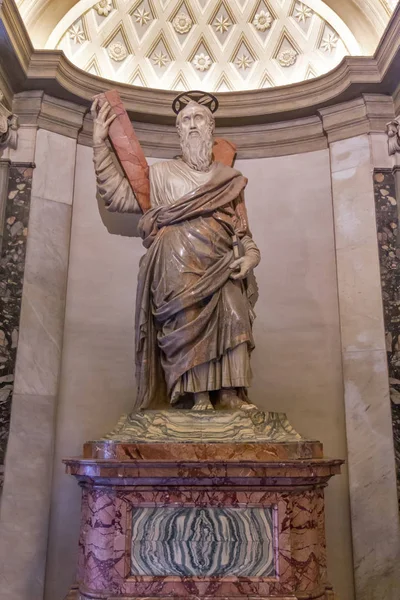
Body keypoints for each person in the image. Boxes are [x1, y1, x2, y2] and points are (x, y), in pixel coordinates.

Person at [91, 96, 260, 411]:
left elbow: (243, 233)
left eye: (200, 118)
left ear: (211, 127)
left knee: (236, 320)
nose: (193, 124)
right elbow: (117, 196)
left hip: (223, 264)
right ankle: (197, 396)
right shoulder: (160, 174)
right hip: (176, 263)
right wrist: (101, 144)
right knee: (188, 324)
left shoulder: (230, 180)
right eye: (186, 119)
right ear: (178, 130)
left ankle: (229, 394)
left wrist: (251, 256)